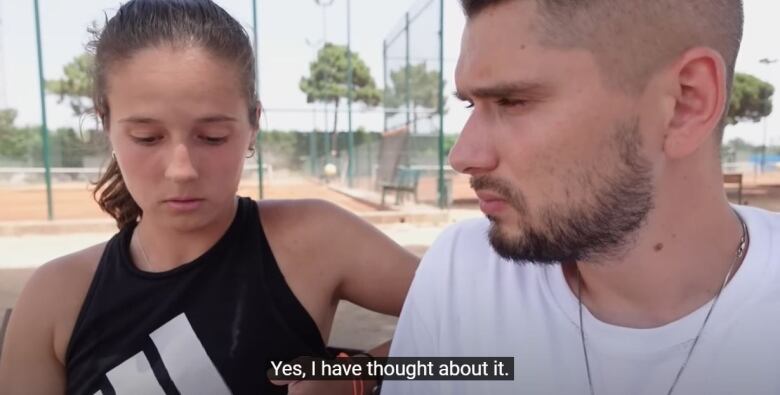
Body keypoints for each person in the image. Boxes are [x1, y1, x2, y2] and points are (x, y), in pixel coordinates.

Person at [0, 1, 416, 394]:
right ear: (104, 121)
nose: (182, 169)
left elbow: (473, 326)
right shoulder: (54, 299)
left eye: (212, 137)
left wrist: (356, 376)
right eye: (147, 137)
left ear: (253, 123)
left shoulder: (315, 240)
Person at [385, 0, 780, 394]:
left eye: (513, 102)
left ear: (684, 104)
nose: (463, 157)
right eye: (472, 104)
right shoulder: (461, 274)